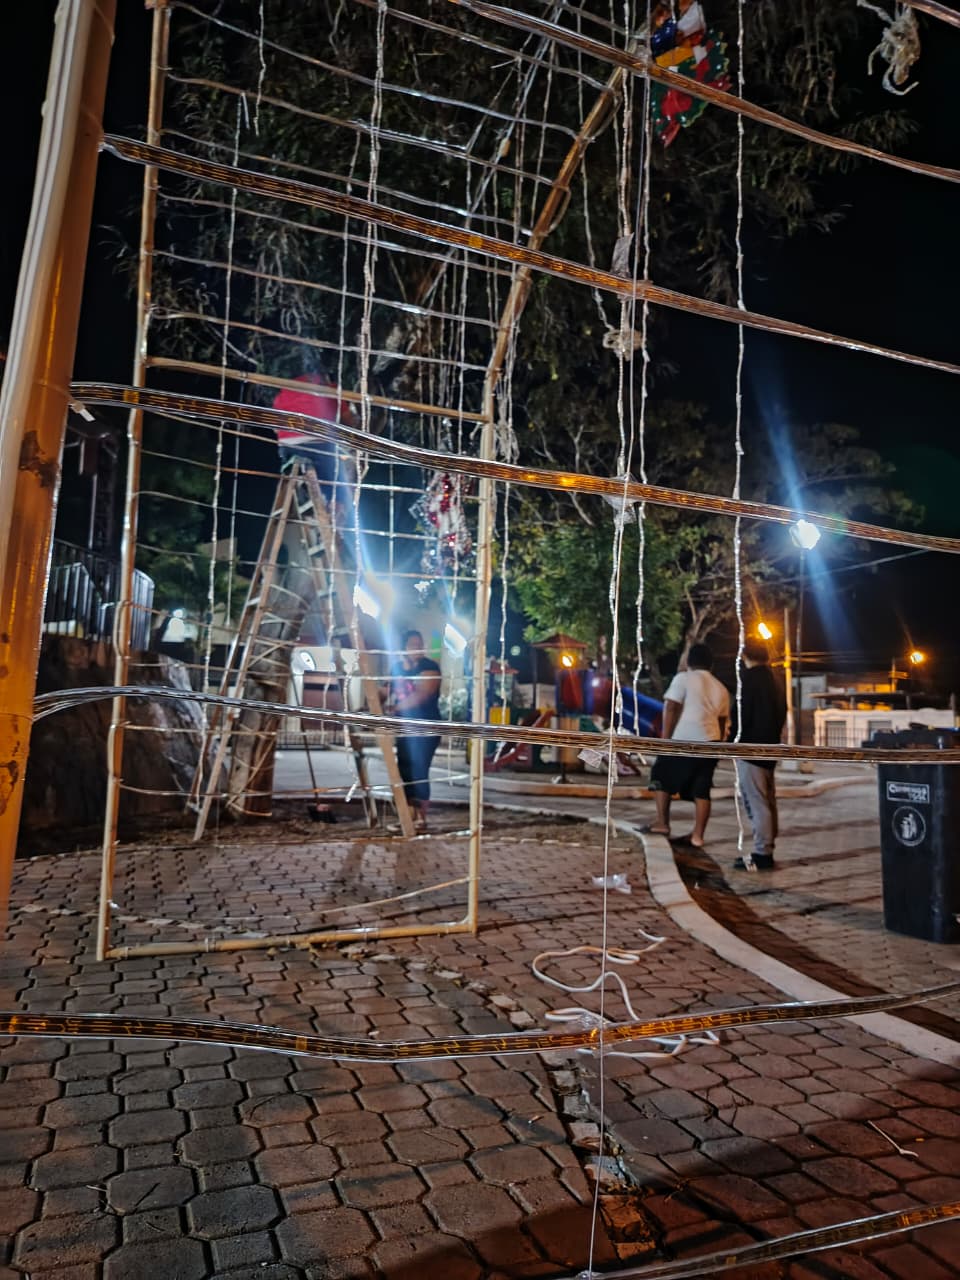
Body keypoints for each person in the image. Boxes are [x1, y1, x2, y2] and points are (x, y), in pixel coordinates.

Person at [645, 643, 729, 848]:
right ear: (711, 664)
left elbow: (671, 707)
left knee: (660, 776)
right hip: (710, 742)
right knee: (702, 788)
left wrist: (665, 740)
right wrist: (717, 745)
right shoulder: (721, 687)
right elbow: (722, 720)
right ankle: (698, 836)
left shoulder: (683, 678)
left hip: (683, 739)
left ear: (689, 661)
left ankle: (662, 823)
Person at [730, 639, 787, 871]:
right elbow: (782, 712)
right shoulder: (776, 680)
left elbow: (740, 715)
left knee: (756, 800)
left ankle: (762, 853)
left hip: (750, 748)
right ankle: (767, 847)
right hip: (770, 747)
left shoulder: (749, 680)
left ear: (744, 655)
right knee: (767, 800)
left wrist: (733, 741)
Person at [271, 365, 358, 507]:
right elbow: (348, 420)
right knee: (347, 463)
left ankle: (308, 497)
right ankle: (338, 505)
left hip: (287, 447)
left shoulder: (286, 389)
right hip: (316, 444)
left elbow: (275, 428)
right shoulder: (329, 387)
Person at [389, 629, 442, 832]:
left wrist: (394, 709)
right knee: (404, 769)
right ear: (403, 648)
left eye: (420, 644)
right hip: (404, 728)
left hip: (426, 727)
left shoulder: (429, 667)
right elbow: (384, 690)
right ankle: (407, 816)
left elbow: (423, 693)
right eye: (412, 644)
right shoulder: (396, 668)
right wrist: (371, 704)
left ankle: (421, 817)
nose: (418, 648)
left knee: (419, 770)